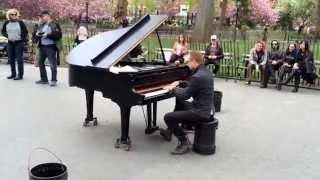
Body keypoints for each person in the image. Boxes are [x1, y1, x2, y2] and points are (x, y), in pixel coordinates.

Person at [160, 52, 214, 155]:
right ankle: (169, 131)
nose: (187, 64)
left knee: (168, 117)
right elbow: (194, 85)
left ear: (194, 61)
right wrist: (180, 83)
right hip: (207, 109)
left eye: (188, 61)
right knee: (180, 102)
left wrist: (173, 89)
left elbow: (185, 95)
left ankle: (184, 142)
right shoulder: (206, 72)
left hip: (200, 113)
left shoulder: (197, 76)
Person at [34, 11, 62, 87]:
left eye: (42, 16)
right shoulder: (42, 25)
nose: (41, 18)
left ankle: (54, 80)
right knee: (40, 63)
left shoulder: (54, 24)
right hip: (42, 47)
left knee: (52, 64)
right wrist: (37, 34)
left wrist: (47, 35)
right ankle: (44, 79)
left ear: (48, 16)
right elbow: (36, 35)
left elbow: (58, 35)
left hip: (51, 47)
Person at [1, 9, 28, 80]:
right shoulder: (6, 22)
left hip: (19, 42)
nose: (14, 16)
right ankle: (13, 74)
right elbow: (3, 31)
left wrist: (21, 37)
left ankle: (20, 75)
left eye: (15, 14)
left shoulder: (20, 22)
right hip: (10, 42)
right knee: (11, 59)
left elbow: (25, 32)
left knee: (19, 59)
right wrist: (8, 36)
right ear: (9, 15)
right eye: (12, 14)